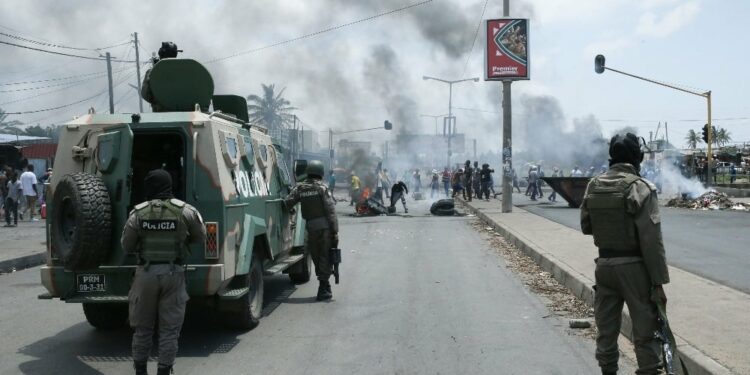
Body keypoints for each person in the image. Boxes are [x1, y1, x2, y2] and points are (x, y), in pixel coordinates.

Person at [580, 133, 669, 375]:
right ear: (637, 157)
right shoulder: (640, 188)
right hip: (634, 269)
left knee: (606, 330)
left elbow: (586, 226)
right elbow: (651, 241)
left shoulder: (593, 185)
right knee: (645, 330)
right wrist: (658, 283)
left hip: (605, 265)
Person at [122, 169, 206, 375]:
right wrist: (181, 241)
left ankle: (140, 371)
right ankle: (164, 371)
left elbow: (126, 246)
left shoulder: (137, 213)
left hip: (145, 274)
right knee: (169, 330)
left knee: (142, 329)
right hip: (173, 273)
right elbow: (201, 237)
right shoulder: (185, 211)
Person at [284, 160, 338, 301]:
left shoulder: (300, 188)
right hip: (325, 229)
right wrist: (335, 231)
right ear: (320, 172)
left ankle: (324, 285)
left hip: (311, 229)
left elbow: (287, 202)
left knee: (316, 256)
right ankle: (323, 286)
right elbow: (331, 211)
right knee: (325, 256)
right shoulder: (322, 188)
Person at [142, 42, 182, 112]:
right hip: (186, 114)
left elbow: (146, 95)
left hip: (161, 114)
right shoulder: (185, 69)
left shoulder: (152, 72)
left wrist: (155, 69)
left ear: (160, 54)